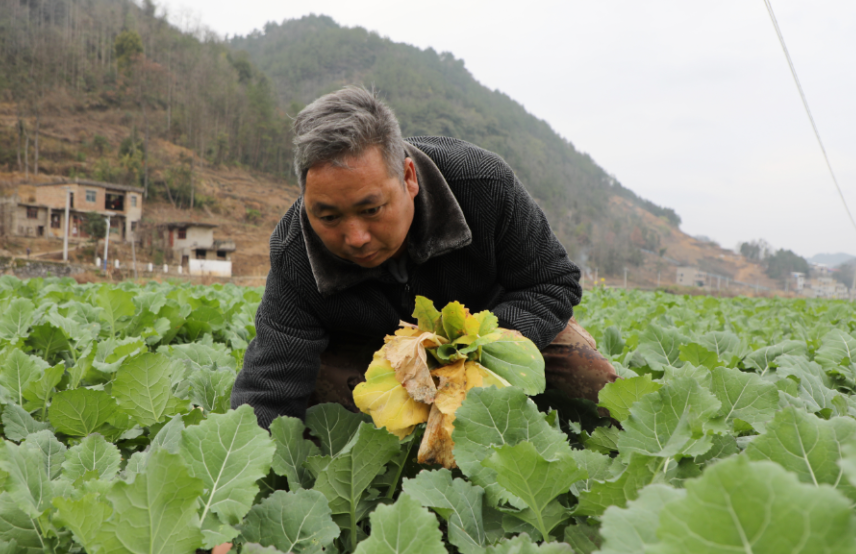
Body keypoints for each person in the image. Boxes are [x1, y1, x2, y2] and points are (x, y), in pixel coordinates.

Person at [231, 86, 616, 430]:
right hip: (376, 356)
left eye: (371, 210)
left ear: (408, 177)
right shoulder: (296, 249)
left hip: (493, 335)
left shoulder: (483, 185)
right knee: (314, 412)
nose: (356, 238)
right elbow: (272, 383)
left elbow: (551, 282)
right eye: (328, 216)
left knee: (592, 379)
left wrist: (468, 353)